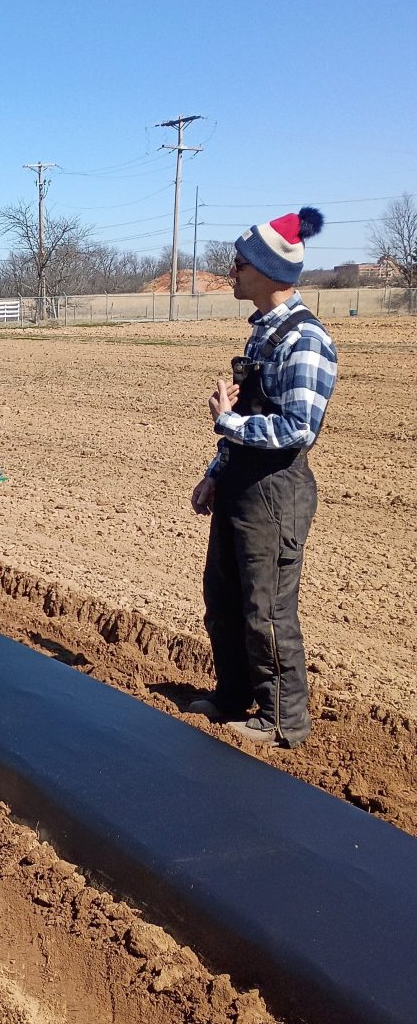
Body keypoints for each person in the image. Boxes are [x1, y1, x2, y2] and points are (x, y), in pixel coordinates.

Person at [187, 208, 337, 749]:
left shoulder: (306, 341)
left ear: (270, 272)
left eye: (241, 264)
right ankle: (233, 696)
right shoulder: (261, 336)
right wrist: (215, 472)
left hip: (276, 493)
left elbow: (299, 428)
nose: (233, 272)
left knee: (265, 608)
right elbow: (248, 418)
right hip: (239, 486)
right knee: (223, 598)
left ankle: (282, 719)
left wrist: (225, 420)